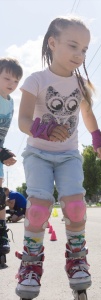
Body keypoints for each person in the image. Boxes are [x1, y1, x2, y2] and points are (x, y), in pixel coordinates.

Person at [15, 16, 101, 299]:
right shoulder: (37, 80)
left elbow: (87, 114)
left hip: (69, 155)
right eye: (73, 46)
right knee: (38, 208)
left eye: (84, 50)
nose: (79, 55)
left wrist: (96, 139)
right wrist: (41, 128)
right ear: (52, 43)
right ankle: (30, 267)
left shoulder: (80, 84)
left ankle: (77, 259)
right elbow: (22, 120)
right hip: (38, 154)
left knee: (76, 206)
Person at [0, 58, 23, 257]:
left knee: (0, 197)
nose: (11, 84)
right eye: (7, 78)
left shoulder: (11, 102)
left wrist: (3, 152)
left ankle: (1, 235)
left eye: (16, 81)